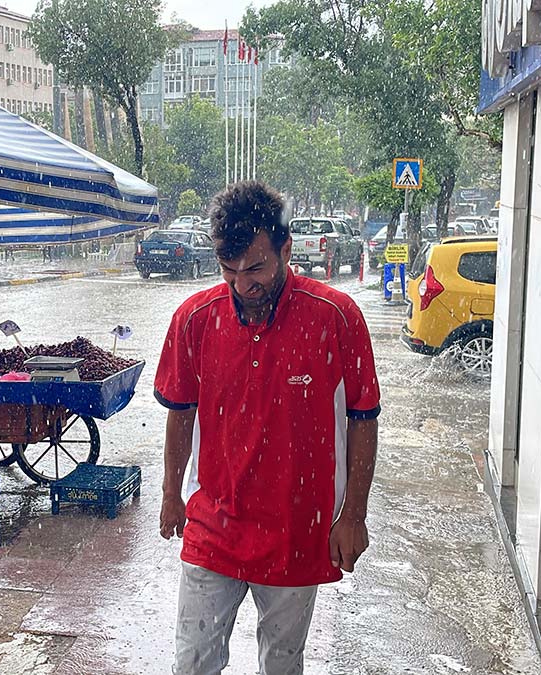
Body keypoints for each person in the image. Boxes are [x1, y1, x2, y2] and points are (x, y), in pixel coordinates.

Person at [154, 181, 381, 675]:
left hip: (297, 531)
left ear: (286, 249)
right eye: (228, 269)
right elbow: (180, 412)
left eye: (255, 267)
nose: (241, 285)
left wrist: (354, 515)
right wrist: (172, 492)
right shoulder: (194, 319)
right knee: (191, 663)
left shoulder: (336, 317)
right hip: (213, 524)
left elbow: (363, 418)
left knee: (281, 663)